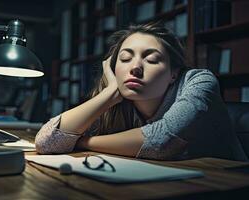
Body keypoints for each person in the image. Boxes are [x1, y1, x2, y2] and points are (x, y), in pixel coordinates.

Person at [35, 22, 247, 161]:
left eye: (152, 59)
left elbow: (162, 141)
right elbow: (46, 143)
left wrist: (81, 142)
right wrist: (109, 95)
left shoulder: (199, 81)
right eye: (125, 59)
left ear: (174, 73)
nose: (135, 67)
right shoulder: (120, 103)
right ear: (113, 68)